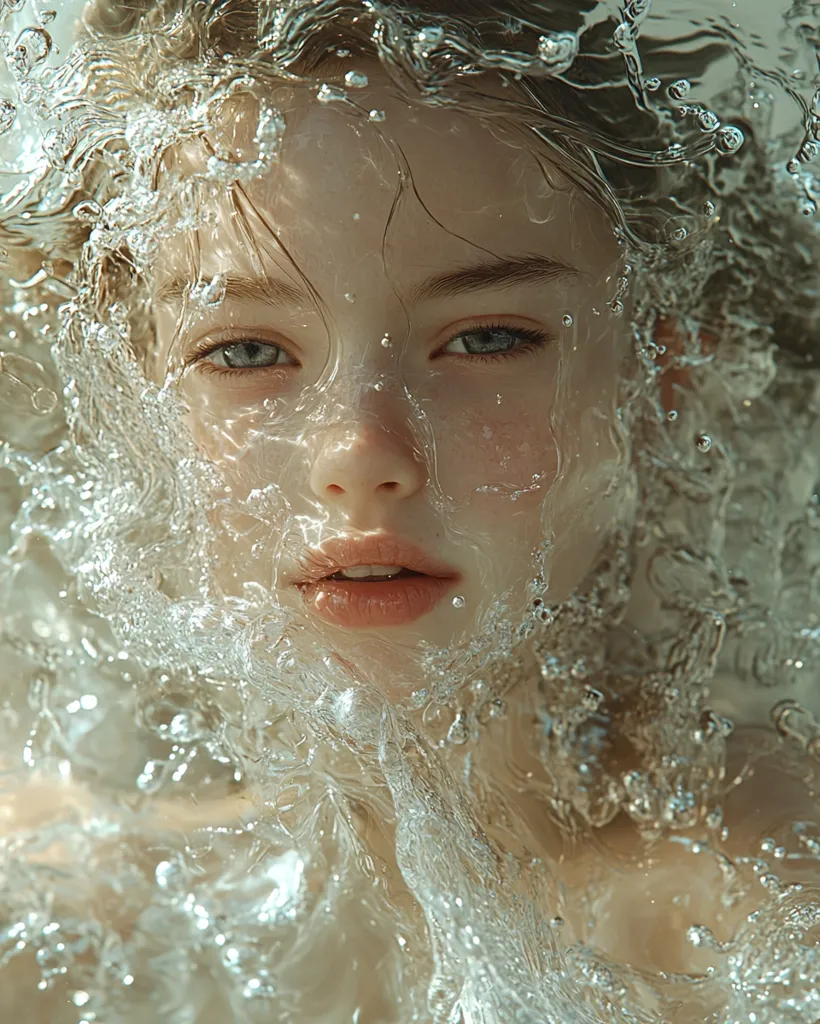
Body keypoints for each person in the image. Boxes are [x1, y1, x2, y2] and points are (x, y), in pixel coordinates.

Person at [0, 0, 818, 1020]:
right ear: (130, 404)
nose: (359, 455)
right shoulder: (63, 917)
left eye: (485, 339)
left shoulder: (775, 910)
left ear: (657, 378)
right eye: (246, 351)